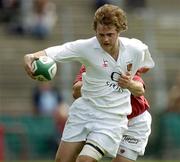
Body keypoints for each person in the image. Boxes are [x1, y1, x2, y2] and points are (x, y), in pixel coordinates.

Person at [24, 4, 154, 162]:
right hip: (84, 112)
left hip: (112, 117)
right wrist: (31, 56)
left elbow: (145, 67)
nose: (105, 39)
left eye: (110, 34)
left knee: (84, 160)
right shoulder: (87, 49)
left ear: (119, 30)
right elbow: (60, 51)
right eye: (101, 34)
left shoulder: (136, 49)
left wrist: (130, 81)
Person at [73, 65, 151, 162]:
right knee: (85, 159)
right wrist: (96, 80)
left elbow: (139, 90)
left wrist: (129, 83)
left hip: (135, 121)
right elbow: (76, 93)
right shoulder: (89, 60)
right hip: (107, 121)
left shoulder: (124, 59)